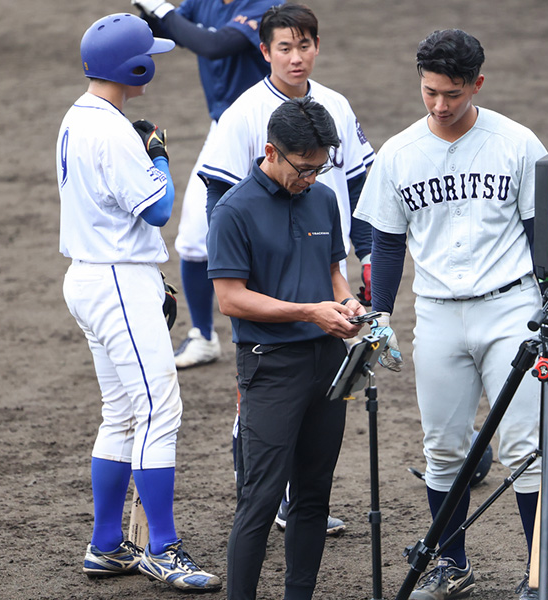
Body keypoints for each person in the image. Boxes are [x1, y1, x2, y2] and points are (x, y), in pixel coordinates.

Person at [354, 29, 548, 600]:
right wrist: (380, 314)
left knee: (524, 447)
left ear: (477, 84)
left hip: (510, 308)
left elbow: (538, 233)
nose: (440, 106)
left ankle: (541, 574)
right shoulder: (399, 152)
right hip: (439, 314)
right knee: (442, 449)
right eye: (429, 92)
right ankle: (451, 565)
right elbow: (388, 242)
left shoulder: (516, 143)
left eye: (452, 93)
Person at [56, 13, 220, 592]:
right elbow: (157, 210)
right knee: (160, 412)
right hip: (117, 283)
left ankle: (106, 546)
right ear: (135, 67)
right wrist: (158, 155)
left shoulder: (78, 117)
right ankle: (163, 548)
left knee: (123, 413)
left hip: (94, 277)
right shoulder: (113, 131)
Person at [199, 2, 375, 535]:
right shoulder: (245, 113)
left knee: (319, 395)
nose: (296, 58)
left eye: (304, 46)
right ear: (266, 52)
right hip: (264, 276)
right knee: (257, 403)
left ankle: (297, 505)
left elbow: (361, 185)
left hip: (325, 264)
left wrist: (365, 259)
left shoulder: (336, 107)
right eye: (284, 47)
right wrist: (237, 271)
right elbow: (219, 198)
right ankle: (256, 503)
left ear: (317, 47)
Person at [207, 96, 366, 600]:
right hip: (270, 367)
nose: (313, 178)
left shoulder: (321, 198)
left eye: (322, 168)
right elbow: (230, 300)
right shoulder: (234, 211)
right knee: (261, 498)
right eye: (304, 169)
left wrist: (348, 304)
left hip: (328, 363)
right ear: (272, 152)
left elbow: (333, 271)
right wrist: (308, 311)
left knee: (315, 493)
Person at [131, 0, 284, 369]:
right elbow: (163, 31)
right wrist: (147, 14)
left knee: (276, 239)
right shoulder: (207, 2)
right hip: (223, 131)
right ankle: (203, 335)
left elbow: (213, 44)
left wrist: (162, 9)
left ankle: (287, 332)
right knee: (194, 238)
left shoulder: (265, 5)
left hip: (274, 130)